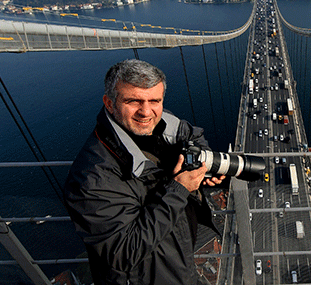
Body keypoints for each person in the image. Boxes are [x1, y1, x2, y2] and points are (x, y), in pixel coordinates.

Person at [64, 59, 225, 285]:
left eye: (155, 100)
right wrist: (179, 189)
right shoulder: (91, 177)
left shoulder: (160, 122)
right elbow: (123, 253)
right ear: (109, 103)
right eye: (133, 101)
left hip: (181, 269)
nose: (146, 111)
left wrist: (202, 165)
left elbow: (193, 136)